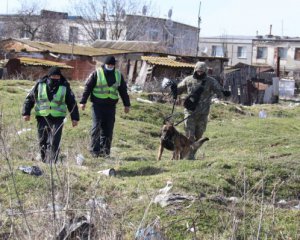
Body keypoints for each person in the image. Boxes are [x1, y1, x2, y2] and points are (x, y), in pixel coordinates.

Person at [22, 66, 79, 163]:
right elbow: (29, 98)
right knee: (42, 141)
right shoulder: (40, 84)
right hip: (42, 117)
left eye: (57, 76)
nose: (55, 78)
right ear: (49, 76)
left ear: (60, 76)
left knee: (54, 141)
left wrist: (75, 118)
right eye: (53, 76)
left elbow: (72, 102)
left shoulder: (65, 86)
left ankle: (52, 162)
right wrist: (26, 112)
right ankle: (44, 160)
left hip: (58, 118)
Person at [176, 62, 230, 160]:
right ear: (195, 70)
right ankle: (187, 156)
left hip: (203, 114)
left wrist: (224, 93)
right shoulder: (188, 80)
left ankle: (191, 154)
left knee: (199, 136)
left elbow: (219, 90)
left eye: (202, 71)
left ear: (205, 71)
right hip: (190, 113)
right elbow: (178, 90)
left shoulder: (210, 81)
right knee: (189, 136)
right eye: (198, 71)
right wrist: (174, 89)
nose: (200, 73)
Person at [80, 56, 130, 158]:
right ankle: (95, 151)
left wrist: (126, 104)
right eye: (108, 65)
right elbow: (88, 87)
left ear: (114, 65)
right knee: (96, 128)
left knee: (108, 130)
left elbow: (123, 91)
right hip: (97, 105)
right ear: (105, 65)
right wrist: (83, 101)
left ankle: (105, 152)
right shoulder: (97, 73)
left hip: (111, 107)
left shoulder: (118, 75)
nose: (110, 66)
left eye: (112, 65)